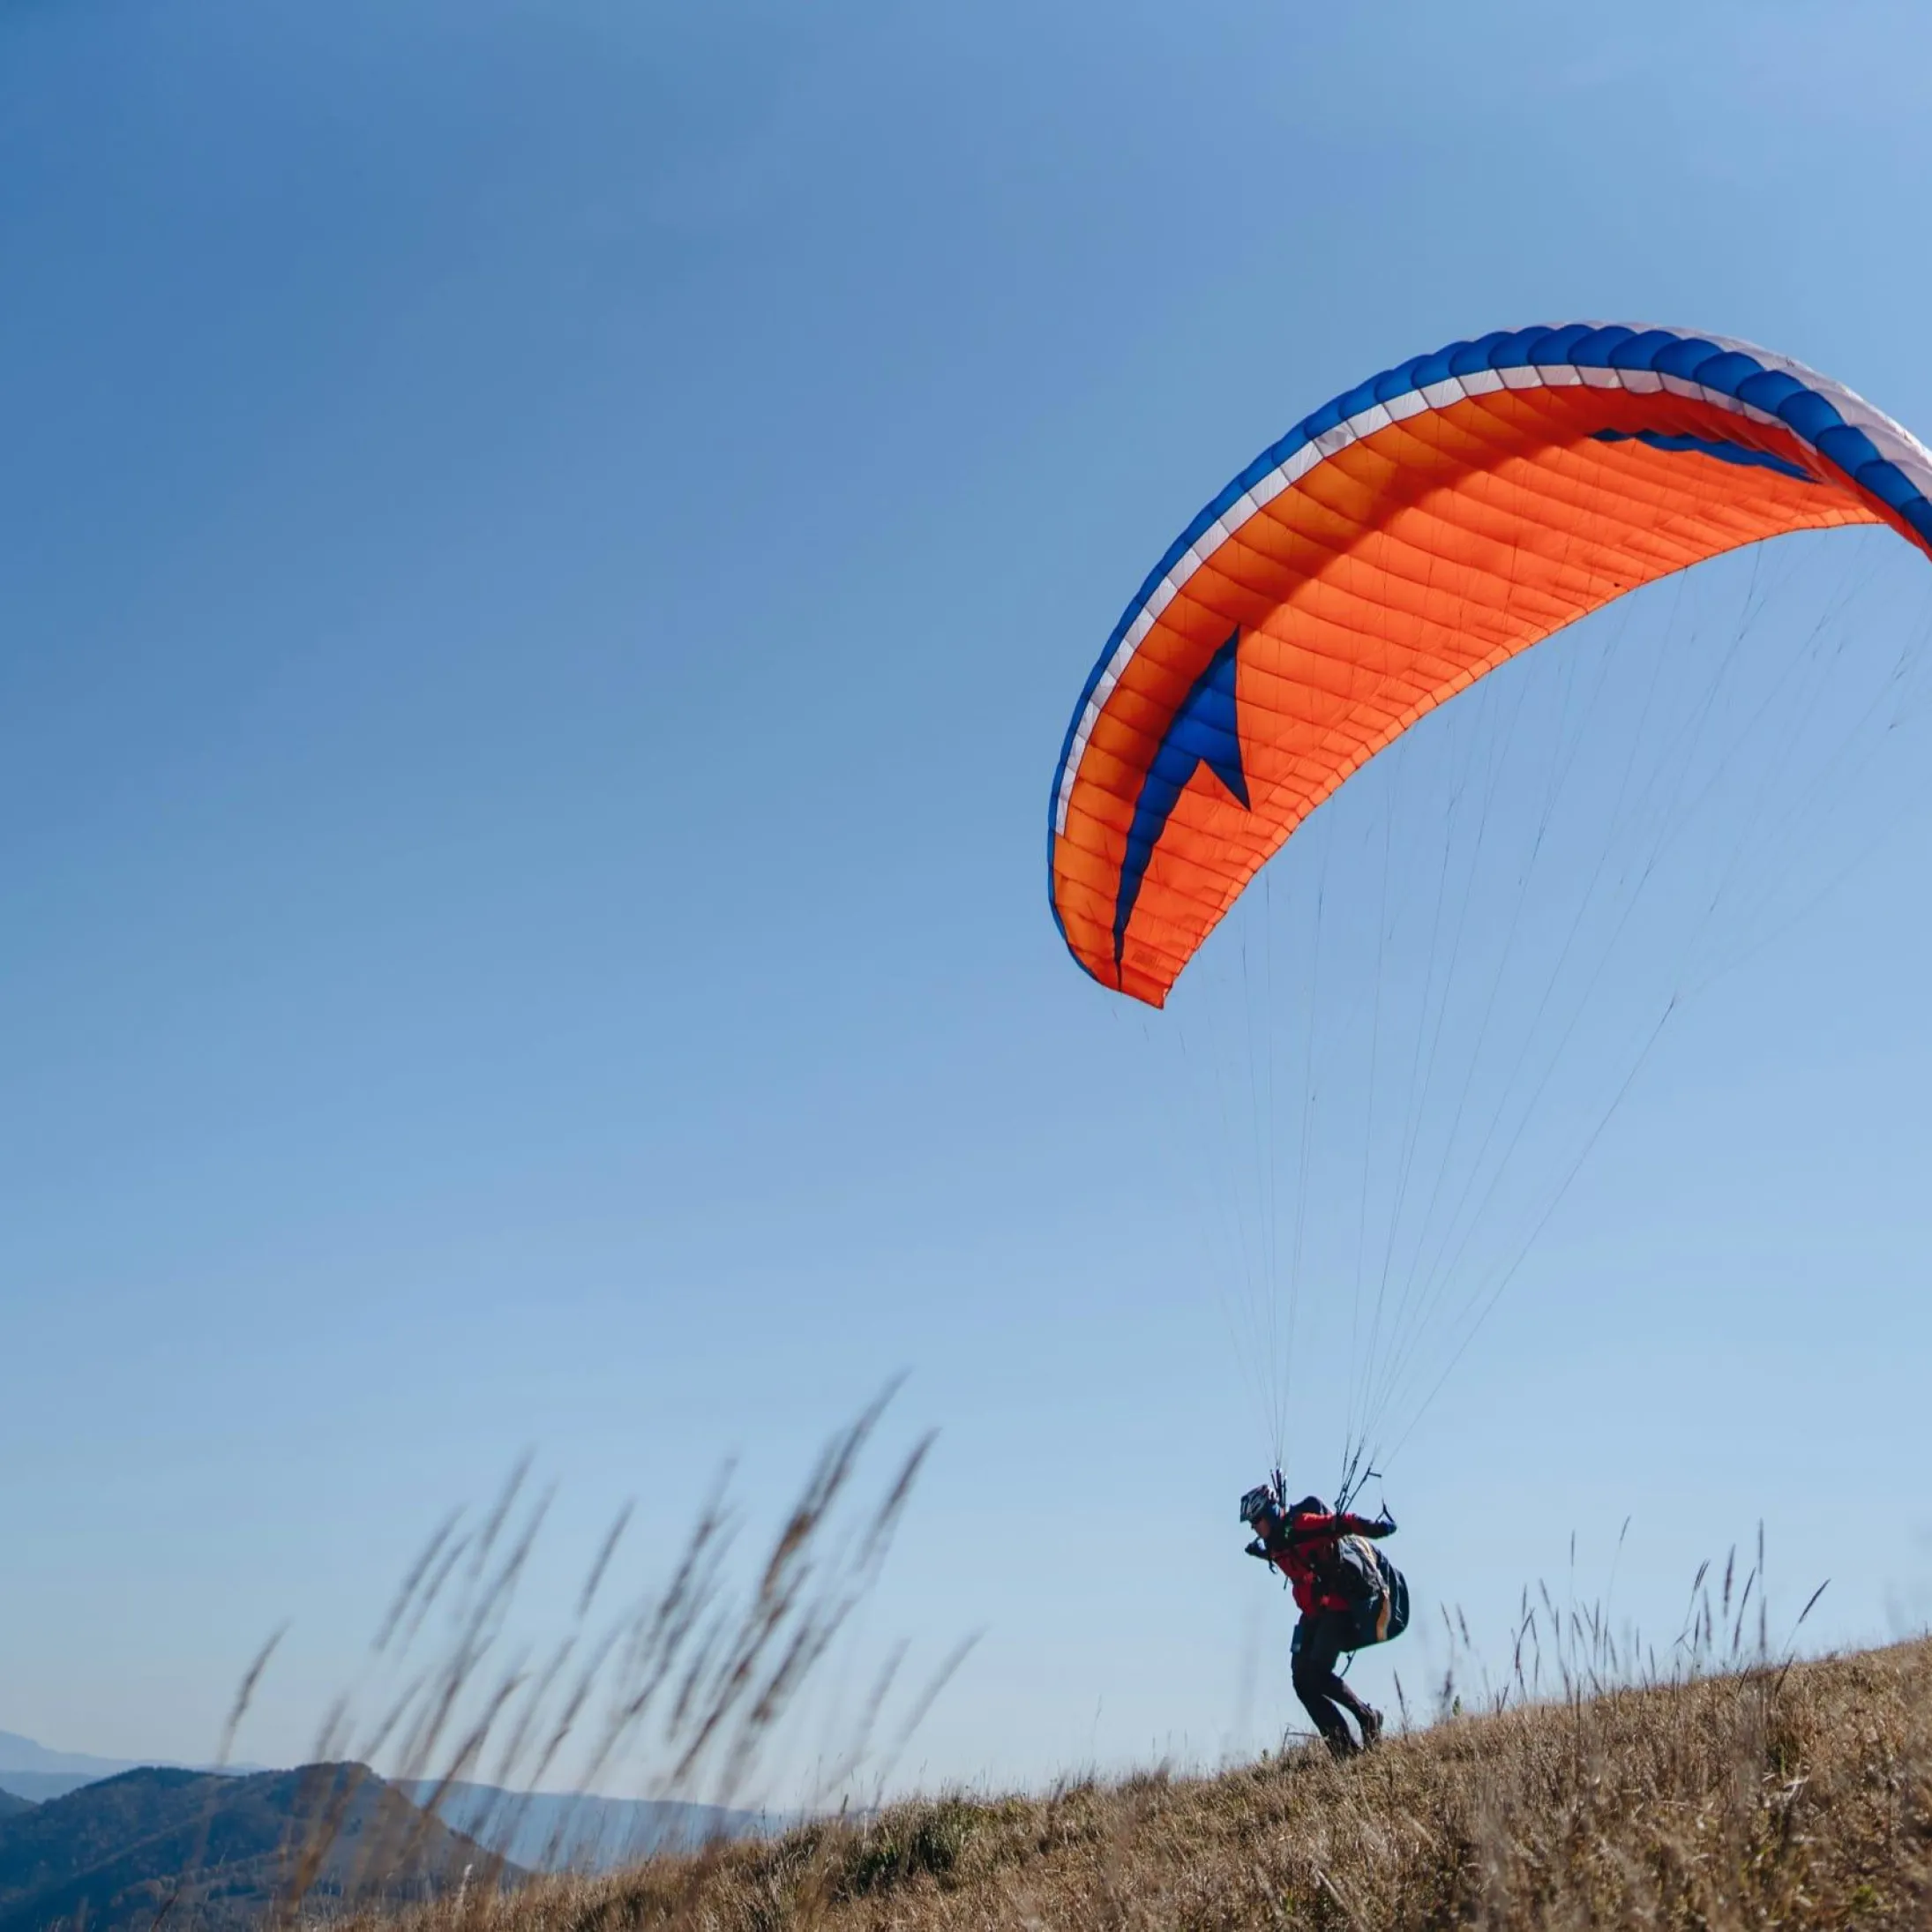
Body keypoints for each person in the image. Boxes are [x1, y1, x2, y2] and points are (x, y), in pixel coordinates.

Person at [1240, 1485, 1404, 1758]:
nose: (1255, 1528)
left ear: (1269, 1513)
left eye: (1256, 1521)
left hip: (1338, 1607)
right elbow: (1281, 1552)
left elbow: (1340, 1523)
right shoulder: (1274, 1543)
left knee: (1316, 1673)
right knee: (1302, 1682)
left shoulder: (1301, 1524)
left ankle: (1367, 1718)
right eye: (1252, 1524)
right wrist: (1259, 1553)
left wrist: (1376, 1528)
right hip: (1315, 1613)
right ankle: (1345, 1752)